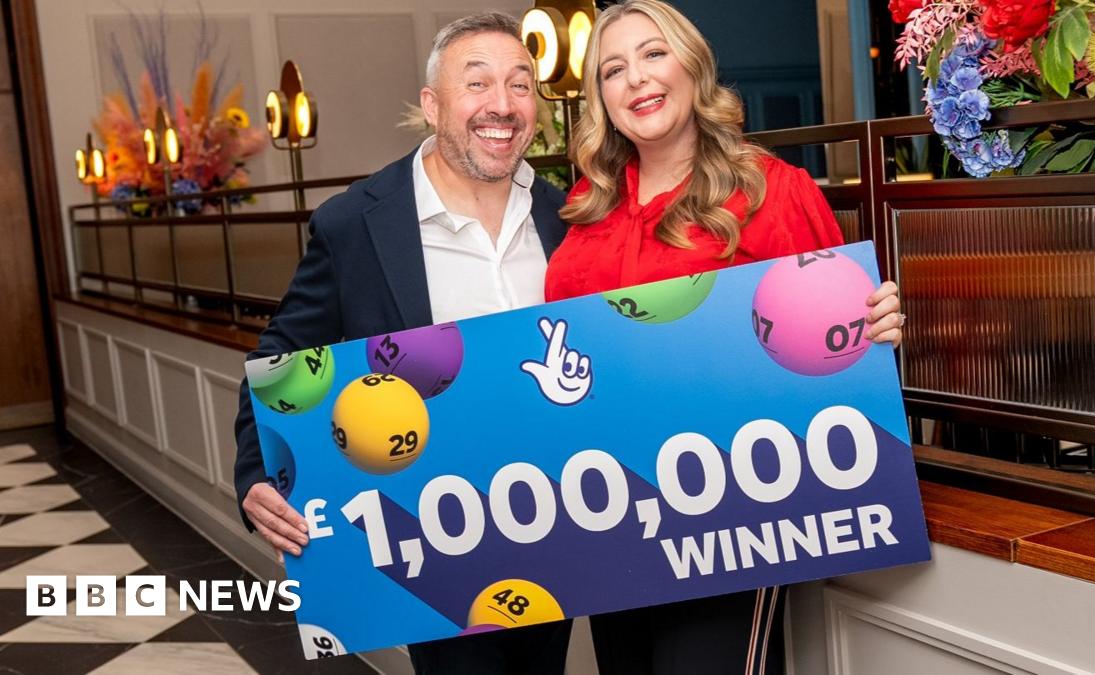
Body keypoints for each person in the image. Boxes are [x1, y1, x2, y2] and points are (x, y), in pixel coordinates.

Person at [544, 1, 904, 673]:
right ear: (600, 98)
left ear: (693, 66)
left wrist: (873, 325)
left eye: (654, 54)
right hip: (612, 519)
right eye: (614, 69)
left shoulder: (774, 191)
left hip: (733, 518)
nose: (637, 79)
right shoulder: (584, 216)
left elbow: (838, 350)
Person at [232, 13, 571, 675]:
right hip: (431, 539)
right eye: (478, 84)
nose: (502, 104)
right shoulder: (356, 225)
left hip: (554, 530)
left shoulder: (568, 217)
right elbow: (279, 359)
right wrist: (255, 473)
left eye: (520, 84)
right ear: (432, 104)